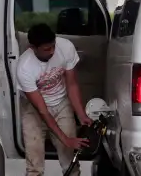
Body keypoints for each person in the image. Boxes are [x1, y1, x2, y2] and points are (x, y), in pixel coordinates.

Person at [17, 23, 91, 176]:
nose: (52, 52)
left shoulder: (66, 47)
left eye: (53, 46)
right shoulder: (24, 68)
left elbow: (72, 84)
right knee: (34, 162)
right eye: (46, 49)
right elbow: (42, 110)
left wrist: (81, 114)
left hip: (61, 103)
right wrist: (65, 139)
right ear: (32, 47)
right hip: (34, 110)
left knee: (70, 161)